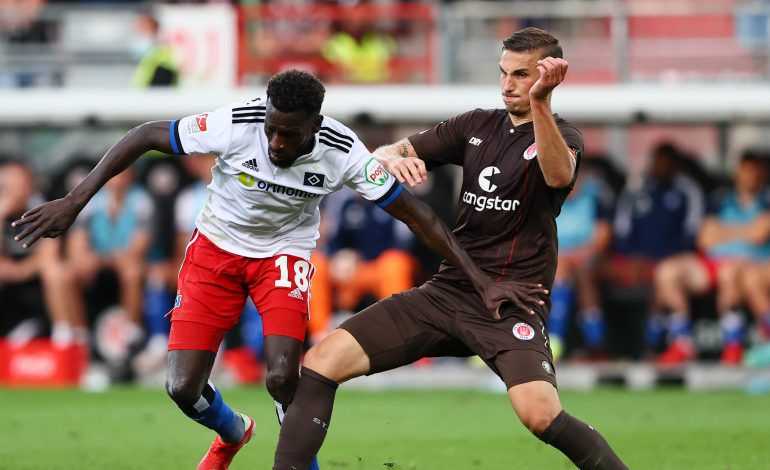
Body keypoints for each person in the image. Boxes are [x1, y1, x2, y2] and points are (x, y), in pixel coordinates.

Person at [12, 69, 532, 470]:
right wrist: (74, 201)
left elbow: (419, 215)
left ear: (316, 126)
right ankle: (233, 432)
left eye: (289, 135)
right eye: (272, 130)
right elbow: (148, 134)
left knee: (284, 375)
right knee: (181, 388)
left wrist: (479, 280)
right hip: (215, 251)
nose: (277, 144)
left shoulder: (344, 151)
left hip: (283, 255)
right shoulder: (237, 123)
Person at [272, 28, 627, 470]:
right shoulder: (475, 125)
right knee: (323, 360)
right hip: (448, 291)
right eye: (504, 73)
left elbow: (557, 177)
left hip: (510, 302)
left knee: (540, 415)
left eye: (521, 75)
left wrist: (540, 104)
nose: (508, 85)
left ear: (546, 78)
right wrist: (392, 158)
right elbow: (384, 152)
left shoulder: (563, 137)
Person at [653, 152, 770, 366]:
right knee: (667, 271)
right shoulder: (721, 198)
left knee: (730, 271)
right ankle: (682, 343)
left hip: (749, 264)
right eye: (746, 170)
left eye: (755, 171)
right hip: (712, 261)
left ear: (763, 174)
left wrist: (723, 232)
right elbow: (705, 238)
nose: (750, 176)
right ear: (738, 172)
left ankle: (732, 345)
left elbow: (760, 234)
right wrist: (744, 231)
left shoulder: (766, 199)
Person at [0, 161, 86, 346]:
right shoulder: (3, 210)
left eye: (20, 184)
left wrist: (20, 270)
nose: (15, 190)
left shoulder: (45, 207)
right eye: (9, 185)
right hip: (10, 279)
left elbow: (49, 253)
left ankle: (66, 338)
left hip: (40, 275)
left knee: (55, 271)